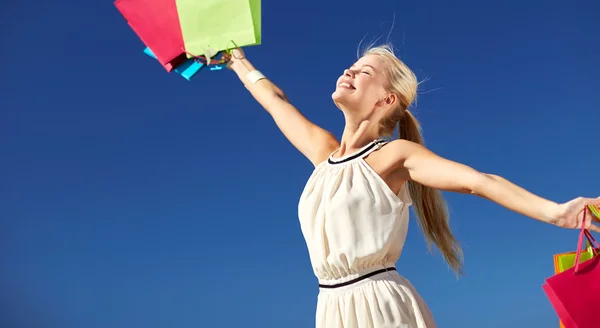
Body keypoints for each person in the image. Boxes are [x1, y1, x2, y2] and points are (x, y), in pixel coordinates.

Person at [225, 44, 599, 328]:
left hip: (380, 305)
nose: (349, 71)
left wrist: (555, 213)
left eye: (364, 71)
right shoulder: (324, 155)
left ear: (385, 100)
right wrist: (234, 58)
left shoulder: (394, 156)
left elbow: (478, 182)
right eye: (351, 66)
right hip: (330, 307)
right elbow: (275, 102)